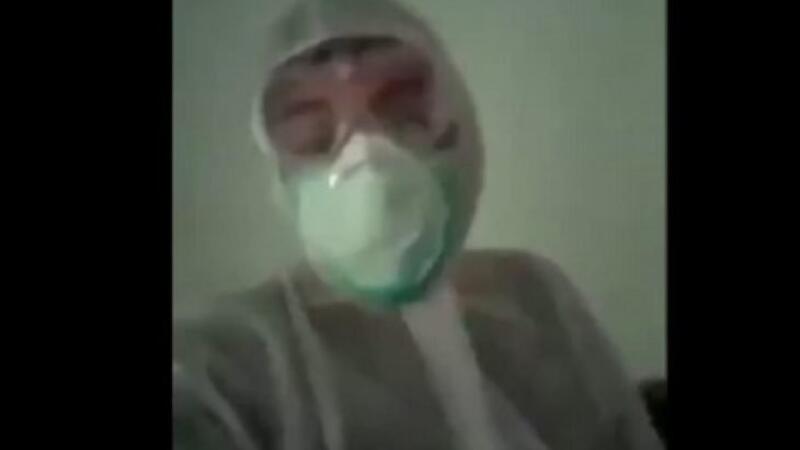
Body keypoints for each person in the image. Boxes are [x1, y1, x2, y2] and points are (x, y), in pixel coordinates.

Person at [172, 0, 664, 449]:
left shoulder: (541, 297)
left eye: (402, 105)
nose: (367, 156)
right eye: (311, 126)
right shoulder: (229, 362)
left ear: (460, 122)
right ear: (278, 167)